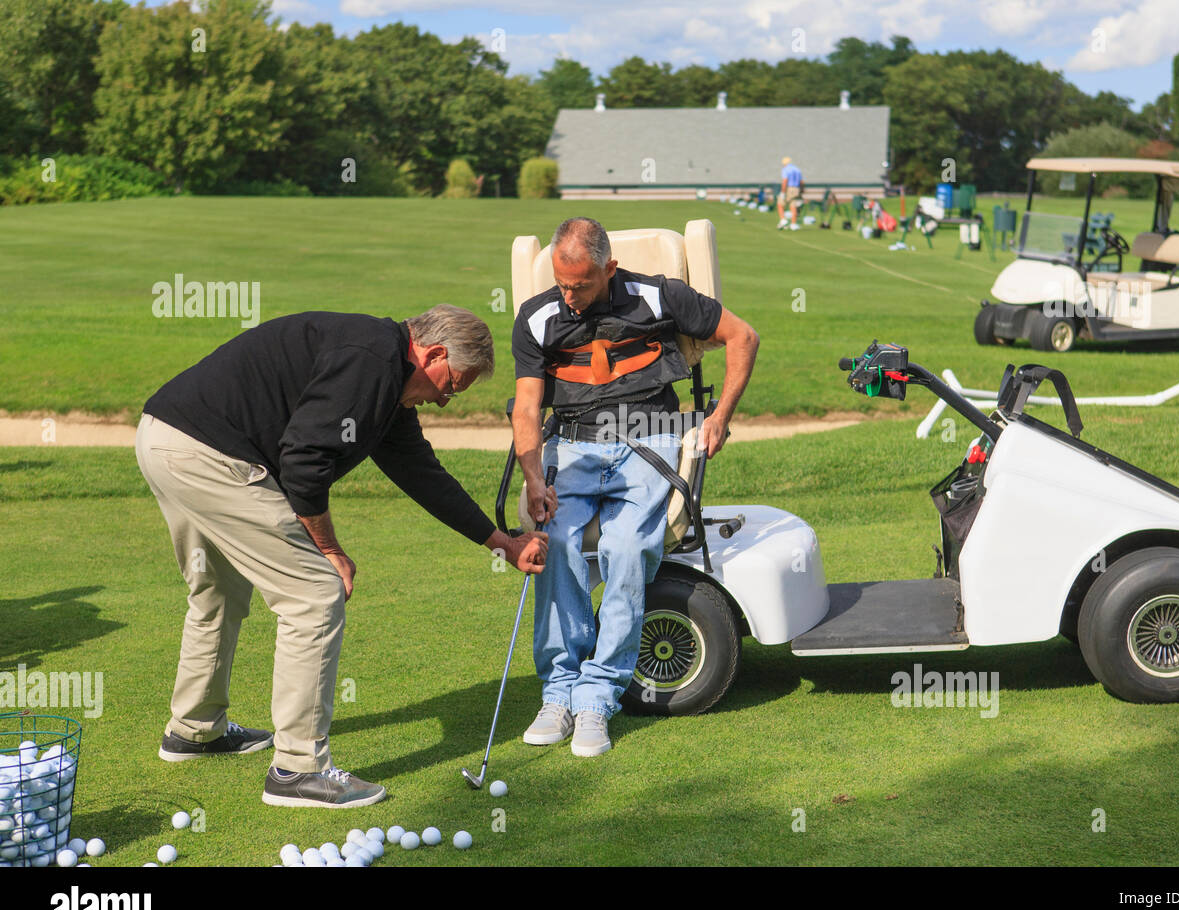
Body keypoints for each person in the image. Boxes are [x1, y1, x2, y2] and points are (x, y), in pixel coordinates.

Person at [136, 306, 548, 808]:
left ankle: (193, 730)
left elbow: (420, 472)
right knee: (315, 594)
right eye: (451, 386)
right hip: (208, 454)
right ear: (433, 353)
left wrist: (498, 542)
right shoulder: (370, 364)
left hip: (166, 439)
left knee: (218, 589)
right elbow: (304, 462)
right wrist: (329, 549)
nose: (443, 400)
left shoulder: (385, 374)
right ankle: (298, 771)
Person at [510, 217, 759, 756]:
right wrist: (533, 477)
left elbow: (743, 336)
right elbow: (528, 405)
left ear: (610, 269)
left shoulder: (657, 295)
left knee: (626, 550)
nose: (569, 296)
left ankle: (598, 696)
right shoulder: (538, 316)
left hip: (650, 439)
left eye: (581, 284)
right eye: (561, 283)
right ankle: (560, 692)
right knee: (559, 549)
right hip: (571, 446)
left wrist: (719, 416)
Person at [776, 157, 804, 230]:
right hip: (796, 189)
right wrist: (801, 191)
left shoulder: (785, 169)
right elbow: (801, 182)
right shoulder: (797, 169)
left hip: (789, 188)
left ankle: (783, 220)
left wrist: (783, 192)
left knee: (780, 203)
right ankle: (793, 224)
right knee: (793, 206)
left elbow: (785, 181)